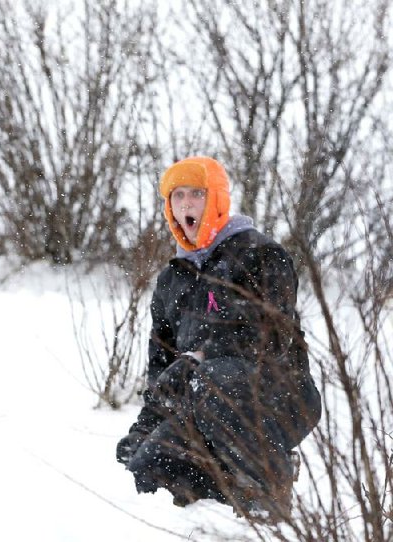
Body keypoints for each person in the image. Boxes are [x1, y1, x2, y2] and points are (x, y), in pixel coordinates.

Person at [115, 156, 321, 519]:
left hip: (280, 396)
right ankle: (230, 486)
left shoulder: (262, 255)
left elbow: (272, 343)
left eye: (197, 193)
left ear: (218, 199)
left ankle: (269, 486)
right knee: (148, 471)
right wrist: (145, 427)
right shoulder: (171, 279)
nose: (187, 204)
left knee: (214, 379)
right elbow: (162, 367)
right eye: (178, 196)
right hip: (204, 404)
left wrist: (200, 358)